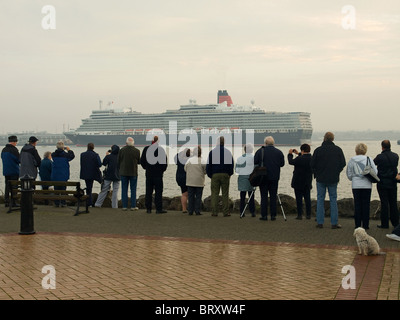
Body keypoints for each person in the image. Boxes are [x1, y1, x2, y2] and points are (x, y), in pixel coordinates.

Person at [310, 132, 346, 229]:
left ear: (324, 139)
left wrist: (317, 173)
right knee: (333, 199)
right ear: (333, 139)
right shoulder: (338, 150)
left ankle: (320, 222)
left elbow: (312, 164)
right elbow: (343, 163)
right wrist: (337, 171)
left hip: (320, 178)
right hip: (333, 178)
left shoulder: (318, 150)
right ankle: (334, 223)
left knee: (320, 199)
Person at [346, 143, 378, 229]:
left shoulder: (352, 160)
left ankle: (357, 225)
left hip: (356, 185)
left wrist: (354, 178)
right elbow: (375, 172)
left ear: (356, 150)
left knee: (357, 205)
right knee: (366, 205)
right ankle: (366, 225)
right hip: (367, 185)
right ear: (365, 150)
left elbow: (349, 174)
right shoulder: (369, 159)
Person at [254, 136, 285, 221]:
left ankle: (264, 215)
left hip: (263, 177)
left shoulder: (260, 151)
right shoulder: (279, 152)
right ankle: (273, 215)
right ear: (273, 143)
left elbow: (255, 161)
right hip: (274, 177)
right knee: (273, 196)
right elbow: (282, 164)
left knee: (263, 196)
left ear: (265, 143)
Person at [206, 136, 234, 217]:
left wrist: (210, 175)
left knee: (214, 193)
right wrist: (230, 174)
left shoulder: (212, 152)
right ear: (224, 142)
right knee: (225, 194)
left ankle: (214, 212)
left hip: (215, 174)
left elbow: (209, 165)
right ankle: (225, 212)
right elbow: (231, 165)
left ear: (217, 142)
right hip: (225, 174)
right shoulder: (228, 152)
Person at [373, 140, 399, 229]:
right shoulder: (396, 156)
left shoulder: (380, 157)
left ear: (382, 147)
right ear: (390, 146)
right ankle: (395, 223)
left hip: (382, 183)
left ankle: (384, 224)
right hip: (393, 182)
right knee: (393, 203)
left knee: (384, 203)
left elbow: (373, 164)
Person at [140, 136, 168, 214]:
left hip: (149, 173)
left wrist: (146, 168)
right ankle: (158, 209)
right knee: (158, 191)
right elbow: (164, 163)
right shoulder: (161, 150)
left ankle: (148, 209)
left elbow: (142, 161)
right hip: (158, 174)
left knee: (148, 191)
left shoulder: (146, 149)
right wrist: (162, 170)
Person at [288, 143, 312, 220]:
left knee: (299, 199)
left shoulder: (299, 159)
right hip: (307, 181)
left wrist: (290, 154)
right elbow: (304, 157)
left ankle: (299, 215)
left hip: (298, 181)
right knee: (307, 198)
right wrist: (298, 153)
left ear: (302, 150)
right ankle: (308, 215)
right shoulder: (312, 158)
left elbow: (291, 162)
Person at [118, 137, 141, 211]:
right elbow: (139, 162)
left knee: (124, 189)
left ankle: (124, 206)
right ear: (133, 143)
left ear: (126, 143)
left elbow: (118, 161)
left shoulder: (121, 150)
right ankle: (133, 206)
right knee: (133, 190)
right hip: (133, 172)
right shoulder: (137, 151)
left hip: (123, 172)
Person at [51, 141, 75, 207]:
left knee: (56, 190)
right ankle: (63, 202)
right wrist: (68, 150)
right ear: (63, 147)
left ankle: (57, 203)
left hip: (55, 175)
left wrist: (61, 149)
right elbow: (72, 156)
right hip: (64, 175)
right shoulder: (66, 155)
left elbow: (57, 153)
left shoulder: (53, 155)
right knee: (63, 190)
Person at [184, 146, 207, 216]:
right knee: (198, 196)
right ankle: (197, 211)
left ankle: (190, 211)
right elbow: (205, 171)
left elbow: (185, 169)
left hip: (190, 181)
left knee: (190, 197)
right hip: (199, 181)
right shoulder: (202, 161)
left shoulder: (189, 160)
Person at [235, 143, 255, 217]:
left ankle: (242, 212)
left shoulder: (239, 158)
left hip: (242, 178)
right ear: (252, 150)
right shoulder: (254, 158)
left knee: (242, 196)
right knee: (251, 195)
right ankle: (252, 212)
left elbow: (237, 170)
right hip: (252, 178)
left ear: (244, 150)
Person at [80, 143, 102, 207]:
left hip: (86, 174)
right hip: (94, 174)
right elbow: (99, 164)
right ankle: (100, 200)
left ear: (87, 147)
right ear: (93, 147)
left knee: (88, 188)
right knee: (102, 183)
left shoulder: (82, 155)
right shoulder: (95, 155)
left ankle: (89, 202)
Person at [1, 135, 20, 207]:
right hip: (14, 171)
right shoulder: (14, 150)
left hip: (6, 171)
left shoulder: (3, 149)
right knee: (14, 187)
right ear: (14, 142)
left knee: (7, 186)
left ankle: (6, 201)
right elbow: (19, 160)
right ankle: (14, 202)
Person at [174, 148, 190, 213]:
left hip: (179, 176)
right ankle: (190, 208)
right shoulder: (189, 160)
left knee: (184, 193)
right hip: (187, 177)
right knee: (188, 193)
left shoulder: (178, 159)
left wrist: (182, 152)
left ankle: (184, 208)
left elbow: (175, 156)